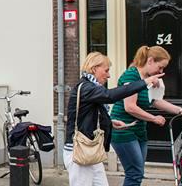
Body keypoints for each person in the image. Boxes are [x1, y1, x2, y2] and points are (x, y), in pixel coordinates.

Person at [64, 52, 159, 186]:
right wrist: (144, 82)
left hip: (91, 149)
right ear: (94, 68)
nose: (108, 75)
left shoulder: (92, 88)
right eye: (106, 70)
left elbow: (88, 115)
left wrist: (110, 123)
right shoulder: (86, 87)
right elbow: (110, 96)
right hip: (80, 151)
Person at [110, 46, 182, 186]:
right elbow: (130, 107)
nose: (161, 71)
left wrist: (181, 111)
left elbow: (156, 101)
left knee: (137, 173)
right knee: (134, 173)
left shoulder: (150, 79)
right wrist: (153, 118)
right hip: (123, 130)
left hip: (139, 130)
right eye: (160, 67)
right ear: (150, 60)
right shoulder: (131, 76)